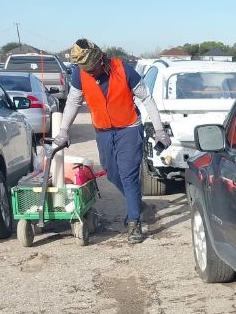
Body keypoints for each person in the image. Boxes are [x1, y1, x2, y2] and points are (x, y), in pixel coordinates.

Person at [54, 39, 171, 243]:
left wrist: (159, 130)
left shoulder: (122, 69)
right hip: (103, 132)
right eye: (85, 69)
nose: (89, 73)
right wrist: (63, 130)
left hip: (129, 129)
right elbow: (73, 101)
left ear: (101, 60)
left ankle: (134, 224)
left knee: (128, 175)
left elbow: (147, 98)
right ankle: (137, 204)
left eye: (92, 68)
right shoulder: (79, 74)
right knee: (110, 172)